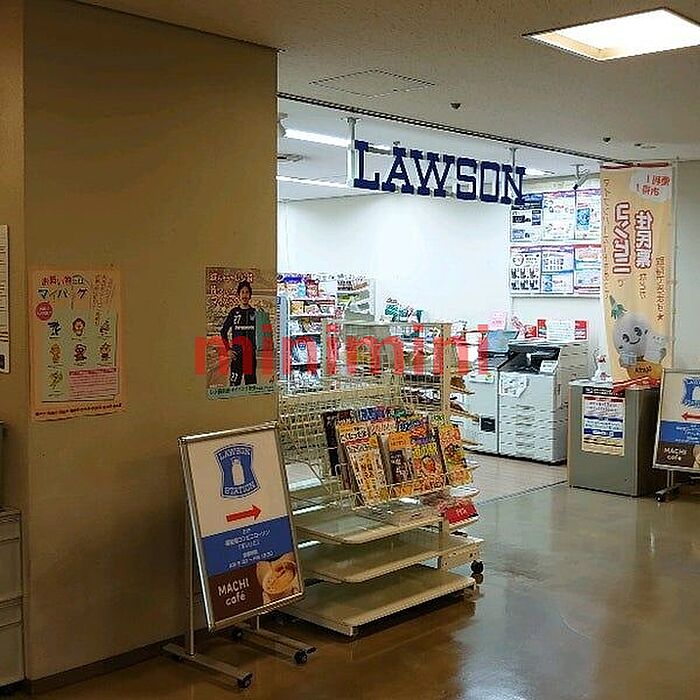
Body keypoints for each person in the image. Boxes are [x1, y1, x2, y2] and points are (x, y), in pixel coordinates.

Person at [220, 280, 257, 386]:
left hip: (250, 356)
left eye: (247, 292)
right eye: (242, 292)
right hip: (237, 356)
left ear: (250, 295)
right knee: (234, 386)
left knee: (251, 387)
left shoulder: (255, 313)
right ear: (239, 295)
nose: (245, 295)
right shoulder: (234, 312)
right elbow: (223, 331)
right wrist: (228, 349)